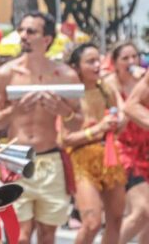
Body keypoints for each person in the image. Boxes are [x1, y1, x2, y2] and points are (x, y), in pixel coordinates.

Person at [0, 11, 82, 244]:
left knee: (48, 235)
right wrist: (13, 112)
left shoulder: (65, 75)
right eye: (21, 30)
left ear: (47, 39)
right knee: (20, 236)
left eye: (31, 31)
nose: (23, 35)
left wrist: (63, 111)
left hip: (51, 160)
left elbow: (79, 120)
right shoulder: (6, 73)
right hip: (16, 159)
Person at [61, 43, 125, 244]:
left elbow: (118, 123)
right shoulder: (70, 95)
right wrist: (97, 129)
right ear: (76, 67)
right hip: (82, 161)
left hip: (110, 157)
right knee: (92, 223)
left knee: (115, 219)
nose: (97, 65)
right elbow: (64, 140)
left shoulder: (107, 89)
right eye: (90, 61)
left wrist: (117, 123)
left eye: (99, 59)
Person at [110, 41, 149, 244]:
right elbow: (122, 120)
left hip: (145, 152)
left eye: (134, 57)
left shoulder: (143, 82)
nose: (131, 62)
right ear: (115, 63)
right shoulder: (110, 84)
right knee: (143, 210)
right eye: (125, 58)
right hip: (123, 151)